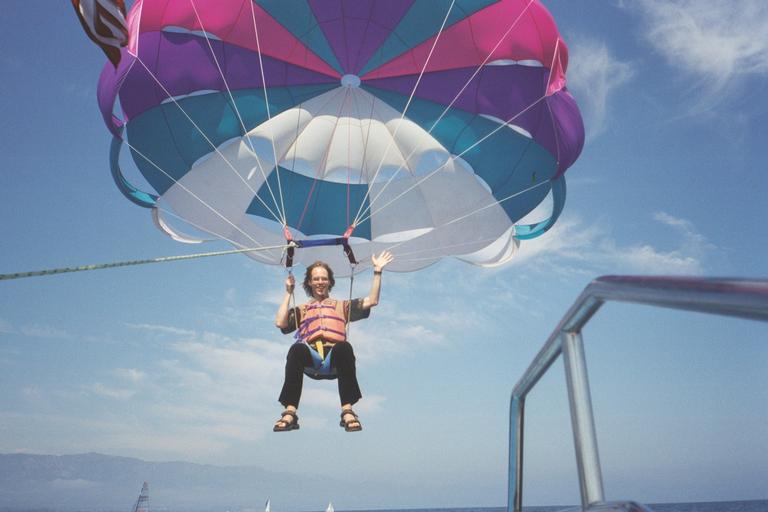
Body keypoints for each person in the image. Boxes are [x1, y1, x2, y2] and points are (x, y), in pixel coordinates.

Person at [273, 251, 394, 432]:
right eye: (316, 279)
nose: (320, 282)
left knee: (344, 347)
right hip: (312, 359)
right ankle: (290, 412)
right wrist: (288, 293)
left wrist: (377, 271)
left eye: (324, 278)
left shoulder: (341, 306)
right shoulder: (303, 309)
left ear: (330, 281)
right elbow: (280, 322)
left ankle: (347, 411)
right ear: (309, 282)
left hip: (335, 360)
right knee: (296, 349)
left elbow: (372, 300)